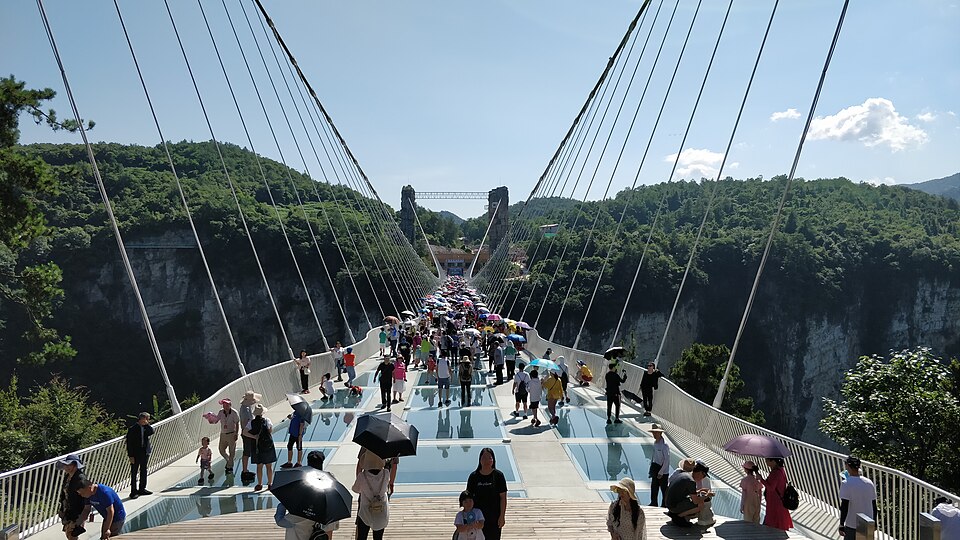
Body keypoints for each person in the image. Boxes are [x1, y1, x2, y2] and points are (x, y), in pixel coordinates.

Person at [275, 450, 340, 539]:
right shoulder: (329, 485)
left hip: (294, 530)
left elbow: (280, 519)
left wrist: (281, 507)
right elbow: (329, 528)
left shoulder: (297, 480)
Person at [466, 448, 507, 540]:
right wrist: (468, 517)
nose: (487, 460)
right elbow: (468, 499)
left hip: (494, 517)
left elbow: (503, 498)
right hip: (477, 518)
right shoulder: (474, 477)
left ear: (493, 460)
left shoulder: (498, 476)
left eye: (489, 458)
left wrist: (502, 516)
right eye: (484, 458)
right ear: (480, 460)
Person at [353, 454, 391, 540]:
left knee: (362, 537)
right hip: (381, 510)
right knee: (378, 537)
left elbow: (355, 489)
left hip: (365, 512)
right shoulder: (386, 473)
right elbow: (387, 487)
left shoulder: (362, 476)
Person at [839, 455, 877, 540]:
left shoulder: (846, 483)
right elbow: (874, 505)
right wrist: (875, 523)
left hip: (852, 524)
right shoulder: (869, 482)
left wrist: (841, 524)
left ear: (847, 466)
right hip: (868, 522)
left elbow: (844, 506)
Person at [665, 460, 706, 528]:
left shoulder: (682, 475)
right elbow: (695, 501)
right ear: (699, 473)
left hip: (669, 503)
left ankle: (675, 513)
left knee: (694, 501)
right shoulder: (691, 481)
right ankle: (678, 517)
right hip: (673, 506)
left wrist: (700, 491)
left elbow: (689, 493)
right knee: (700, 505)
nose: (703, 477)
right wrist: (706, 496)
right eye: (703, 475)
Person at [57, 454, 87, 540]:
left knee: (72, 535)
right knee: (68, 534)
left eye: (68, 465)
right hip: (68, 510)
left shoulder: (80, 479)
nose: (66, 467)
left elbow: (85, 497)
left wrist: (81, 517)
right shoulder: (68, 476)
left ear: (75, 465)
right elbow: (64, 494)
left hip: (76, 512)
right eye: (65, 464)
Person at [248, 403, 277, 491]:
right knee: (269, 466)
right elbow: (270, 430)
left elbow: (245, 432)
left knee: (259, 466)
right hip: (267, 445)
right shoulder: (267, 420)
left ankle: (259, 484)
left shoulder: (251, 422)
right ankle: (270, 483)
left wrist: (254, 436)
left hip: (257, 446)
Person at [125, 411, 154, 498]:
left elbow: (152, 431)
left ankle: (142, 488)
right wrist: (130, 456)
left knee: (143, 470)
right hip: (135, 453)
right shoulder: (133, 429)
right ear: (142, 419)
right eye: (146, 419)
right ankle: (133, 491)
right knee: (134, 472)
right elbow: (129, 443)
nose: (147, 421)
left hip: (144, 452)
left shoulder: (146, 428)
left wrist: (147, 425)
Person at [759, 457, 793, 530]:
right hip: (777, 500)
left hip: (775, 501)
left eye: (767, 460)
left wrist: (761, 479)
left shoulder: (775, 473)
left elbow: (771, 487)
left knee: (773, 521)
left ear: (773, 461)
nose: (766, 462)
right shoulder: (780, 470)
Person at [210, 397, 240, 474]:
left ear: (230, 405)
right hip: (223, 433)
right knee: (221, 449)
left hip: (231, 433)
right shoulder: (221, 412)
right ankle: (229, 461)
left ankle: (230, 466)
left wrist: (236, 433)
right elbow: (216, 420)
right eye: (223, 404)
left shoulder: (234, 412)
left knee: (231, 451)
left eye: (226, 404)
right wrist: (211, 420)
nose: (224, 406)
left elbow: (237, 423)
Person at [239, 390, 261, 482]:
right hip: (247, 434)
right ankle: (244, 470)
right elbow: (245, 424)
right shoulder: (245, 410)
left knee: (247, 452)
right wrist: (251, 435)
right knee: (247, 452)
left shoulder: (246, 407)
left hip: (248, 433)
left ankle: (245, 469)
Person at [648, 424, 670, 507]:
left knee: (664, 489)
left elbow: (666, 460)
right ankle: (653, 502)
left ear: (660, 433)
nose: (654, 434)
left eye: (656, 433)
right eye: (653, 433)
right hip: (655, 467)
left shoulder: (665, 446)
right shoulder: (655, 443)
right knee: (654, 487)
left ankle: (664, 504)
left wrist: (661, 472)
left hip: (663, 470)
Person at [692, 461, 716, 527]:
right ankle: (704, 520)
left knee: (706, 500)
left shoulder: (706, 480)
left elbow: (708, 491)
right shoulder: (690, 479)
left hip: (699, 497)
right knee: (705, 502)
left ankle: (704, 519)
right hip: (694, 499)